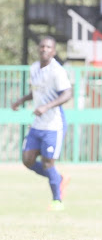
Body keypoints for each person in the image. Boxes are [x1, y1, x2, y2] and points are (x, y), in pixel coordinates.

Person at [11, 36, 73, 211]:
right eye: (42, 46)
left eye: (48, 47)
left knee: (47, 163)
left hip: (53, 125)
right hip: (38, 124)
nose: (44, 49)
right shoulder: (34, 68)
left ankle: (57, 200)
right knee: (27, 160)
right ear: (39, 49)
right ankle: (58, 178)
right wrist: (22, 100)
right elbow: (36, 91)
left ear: (53, 51)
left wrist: (47, 106)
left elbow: (67, 94)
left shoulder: (57, 71)